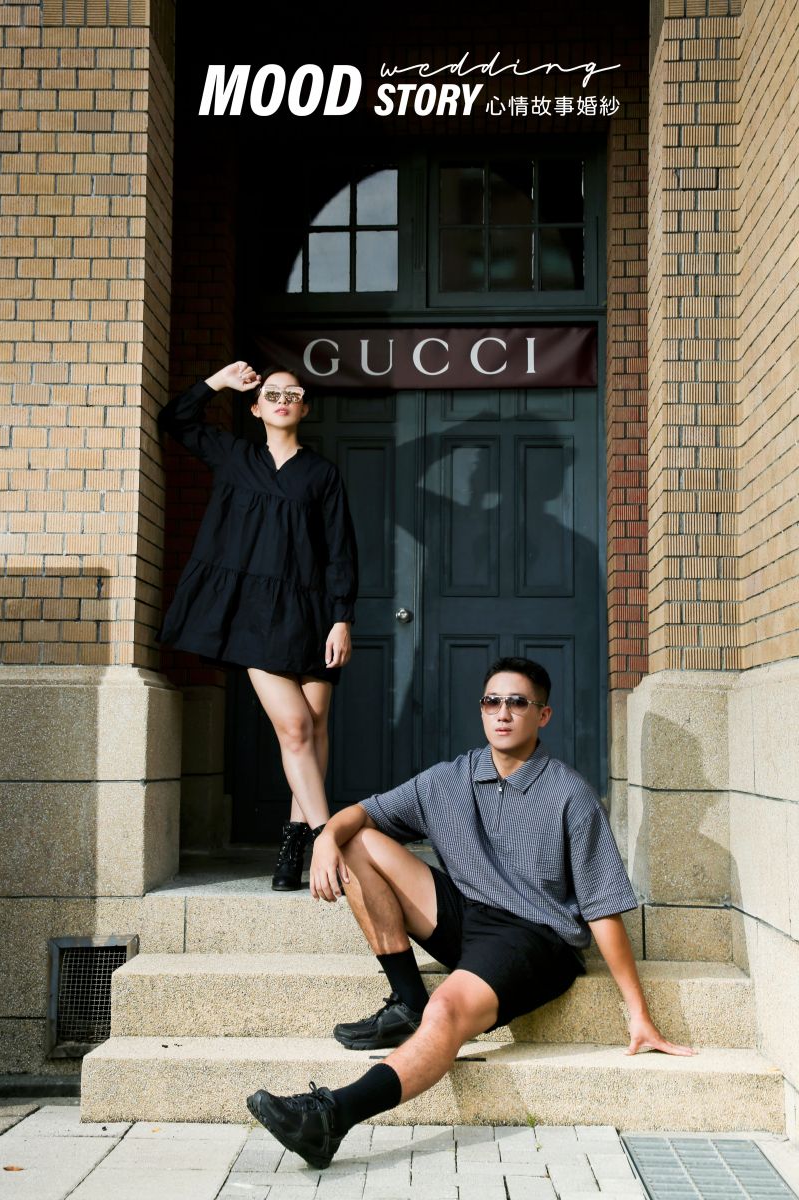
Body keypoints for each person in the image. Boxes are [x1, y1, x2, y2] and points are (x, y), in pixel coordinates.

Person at [246, 656, 694, 1167]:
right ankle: (408, 1001)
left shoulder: (570, 794)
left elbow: (603, 908)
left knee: (447, 1012)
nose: (502, 713)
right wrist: (326, 838)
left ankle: (331, 1117)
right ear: (481, 710)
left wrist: (638, 1012)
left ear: (542, 715)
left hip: (534, 938)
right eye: (492, 701)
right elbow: (365, 812)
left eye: (517, 702)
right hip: (468, 915)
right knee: (356, 840)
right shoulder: (450, 780)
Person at [158, 361, 358, 889]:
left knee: (314, 728)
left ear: (304, 408)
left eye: (293, 394)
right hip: (254, 616)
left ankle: (291, 849)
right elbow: (175, 419)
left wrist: (341, 618)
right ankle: (328, 839)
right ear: (256, 407)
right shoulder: (234, 456)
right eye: (273, 394)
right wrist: (217, 381)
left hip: (313, 613)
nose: (283, 400)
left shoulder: (321, 474)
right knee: (294, 727)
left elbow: (340, 551)